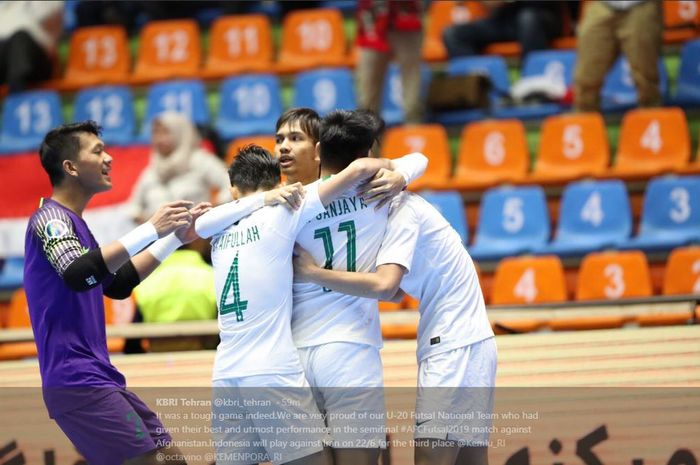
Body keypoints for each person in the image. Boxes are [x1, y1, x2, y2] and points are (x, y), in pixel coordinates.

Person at [193, 143, 421, 465]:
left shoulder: (218, 231)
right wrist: (400, 175)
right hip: (271, 368)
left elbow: (200, 224)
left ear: (233, 191)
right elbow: (356, 171)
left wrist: (256, 199)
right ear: (279, 185)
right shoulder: (282, 212)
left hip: (227, 372)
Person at [24, 121, 208, 465]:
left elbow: (118, 284)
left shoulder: (77, 225)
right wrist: (150, 228)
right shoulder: (50, 219)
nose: (109, 158)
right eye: (97, 151)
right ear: (71, 167)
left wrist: (174, 239)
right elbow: (78, 274)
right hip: (76, 381)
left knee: (172, 460)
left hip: (100, 377)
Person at [294, 191, 496, 465]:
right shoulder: (401, 205)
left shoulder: (401, 212)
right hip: (473, 339)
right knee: (471, 459)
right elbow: (398, 291)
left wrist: (312, 273)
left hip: (452, 346)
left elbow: (386, 287)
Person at [290, 110, 427, 465]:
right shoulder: (381, 194)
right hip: (351, 349)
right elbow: (419, 159)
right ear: (368, 155)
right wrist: (398, 175)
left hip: (296, 350)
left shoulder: (294, 204)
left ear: (318, 150)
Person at [129, 112, 232, 224]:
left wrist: (213, 208)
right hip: (158, 235)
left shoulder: (200, 159)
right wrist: (141, 218)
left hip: (195, 233)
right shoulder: (152, 168)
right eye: (155, 133)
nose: (159, 139)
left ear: (181, 133)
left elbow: (231, 183)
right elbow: (133, 206)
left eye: (165, 132)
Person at [573, 0, 662, 111]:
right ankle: (585, 125)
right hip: (601, 5)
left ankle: (652, 122)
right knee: (585, 77)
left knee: (646, 79)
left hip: (641, 6)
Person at [355, 0, 424, 124]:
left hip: (406, 19)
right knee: (367, 91)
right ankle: (368, 137)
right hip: (372, 21)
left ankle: (413, 136)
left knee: (412, 86)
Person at [442, 1, 562, 60]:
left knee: (528, 19)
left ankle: (536, 84)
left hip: (540, 16)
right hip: (503, 20)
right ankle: (476, 87)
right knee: (453, 34)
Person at [0, 1, 63, 93]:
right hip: (5, 54)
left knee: (20, 38)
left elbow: (50, 21)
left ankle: (17, 98)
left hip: (37, 57)